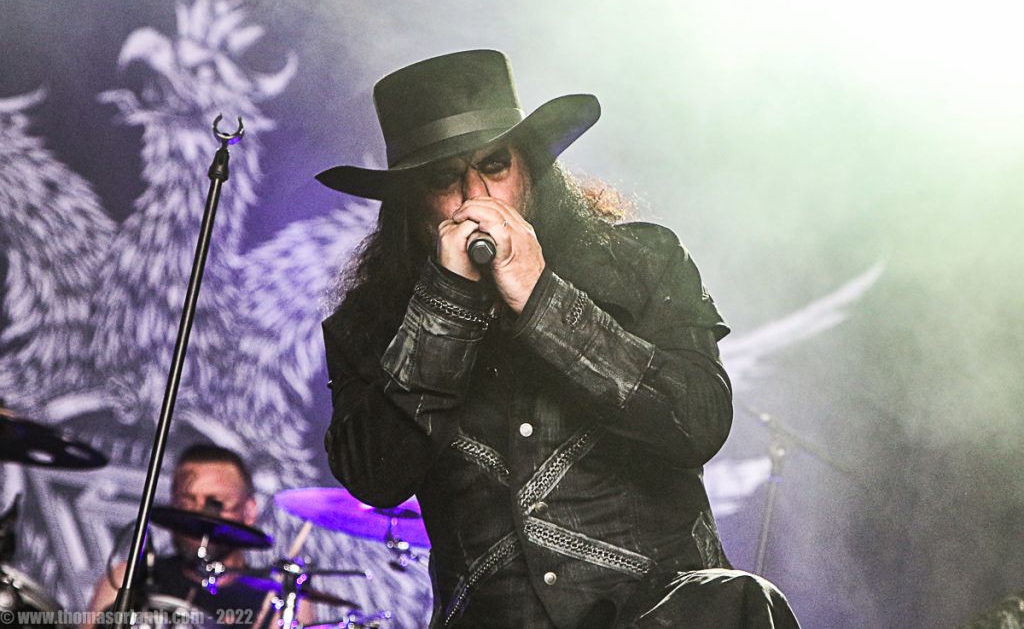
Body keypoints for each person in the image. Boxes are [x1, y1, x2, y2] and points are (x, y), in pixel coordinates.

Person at [317, 49, 801, 628]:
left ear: (529, 167)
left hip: (663, 611)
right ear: (412, 204)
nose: (477, 198)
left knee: (740, 600)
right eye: (444, 179)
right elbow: (375, 477)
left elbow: (698, 421)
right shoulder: (369, 325)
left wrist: (540, 297)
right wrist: (446, 301)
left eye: (495, 166)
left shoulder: (645, 261)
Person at [83, 444, 302, 628]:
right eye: (186, 503)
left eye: (215, 505)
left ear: (249, 512)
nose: (199, 517)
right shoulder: (129, 577)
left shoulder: (278, 599)